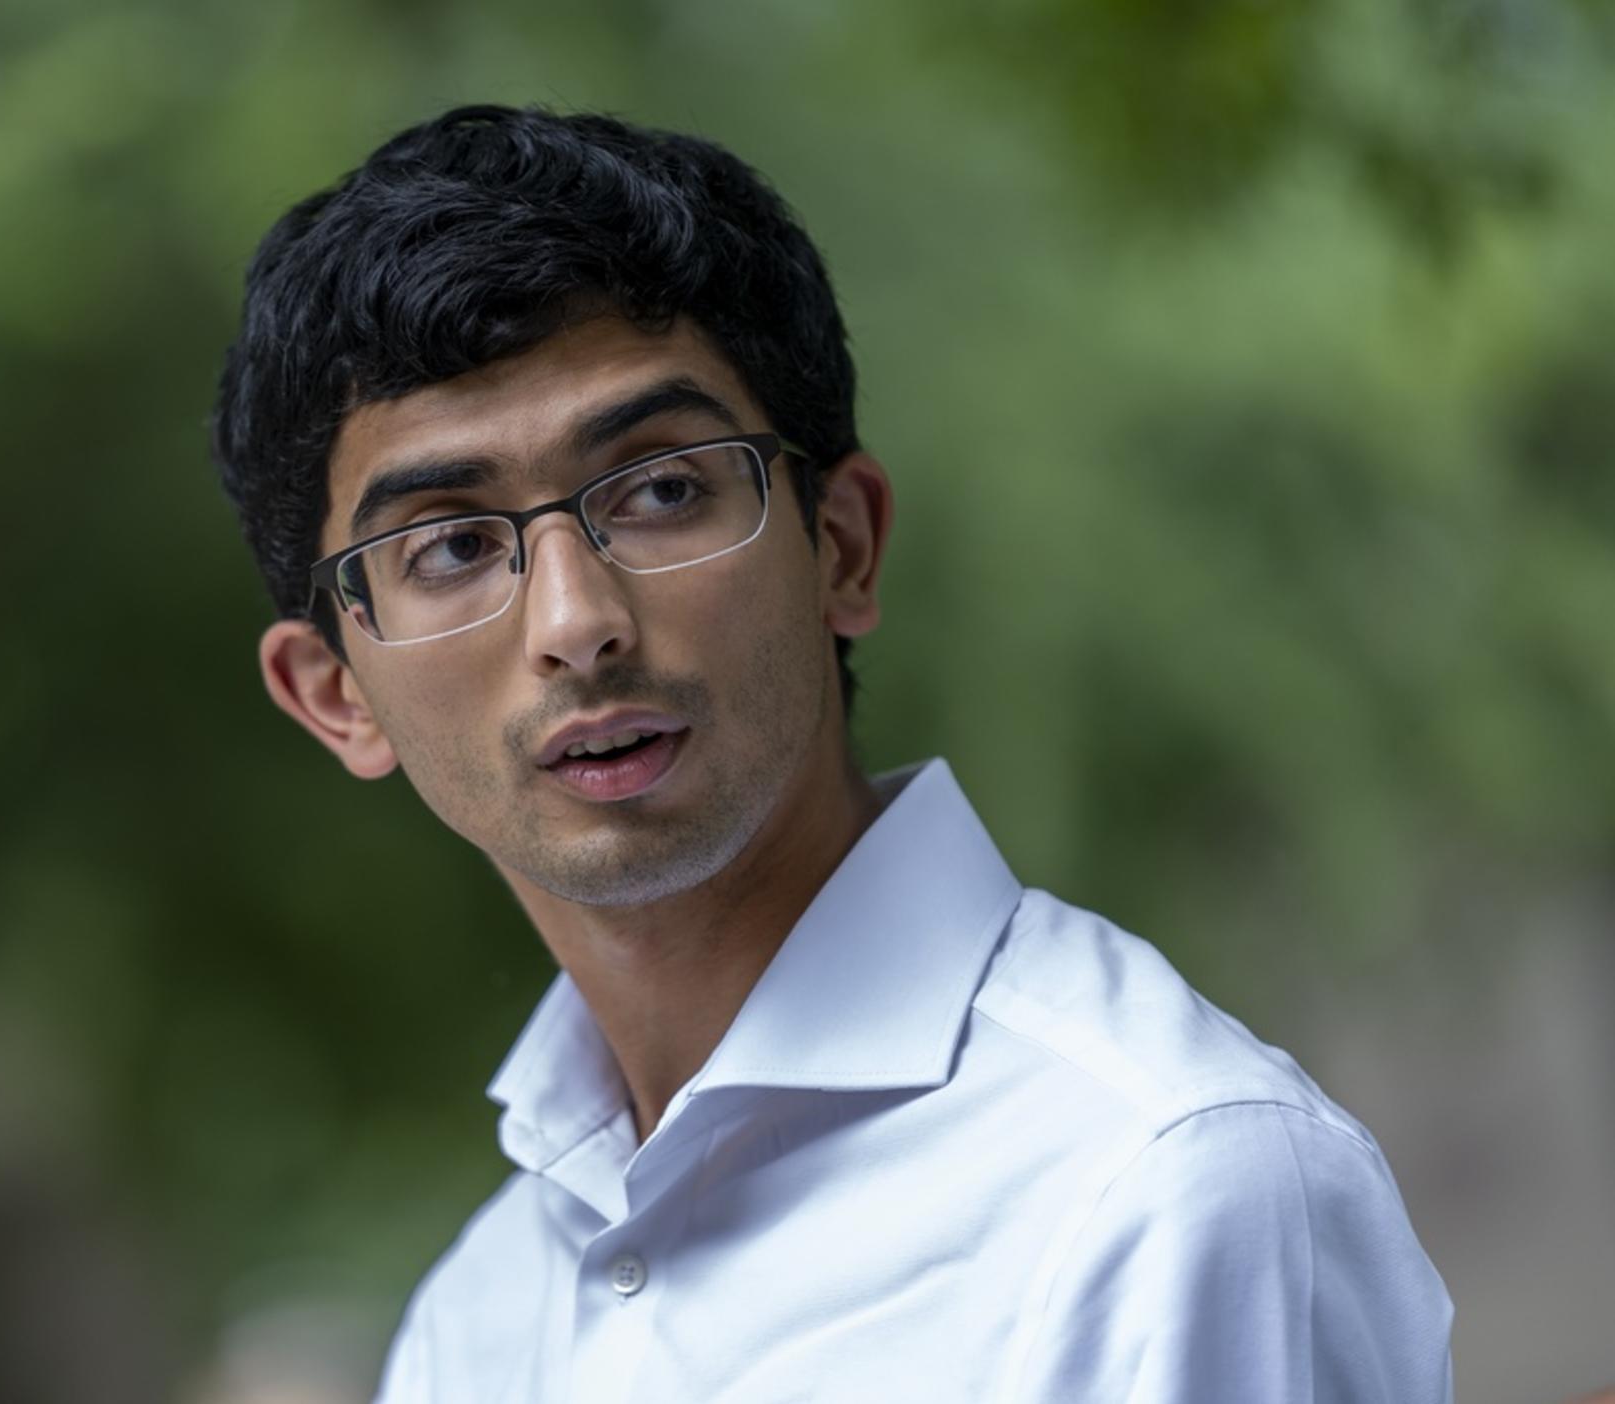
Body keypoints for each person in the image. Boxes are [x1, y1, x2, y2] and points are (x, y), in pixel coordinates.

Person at [212, 104, 1455, 1402]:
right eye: (451, 547)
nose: (576, 624)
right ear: (333, 695)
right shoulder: (473, 1329)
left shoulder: (1159, 1186)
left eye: (660, 488)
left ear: (842, 547)